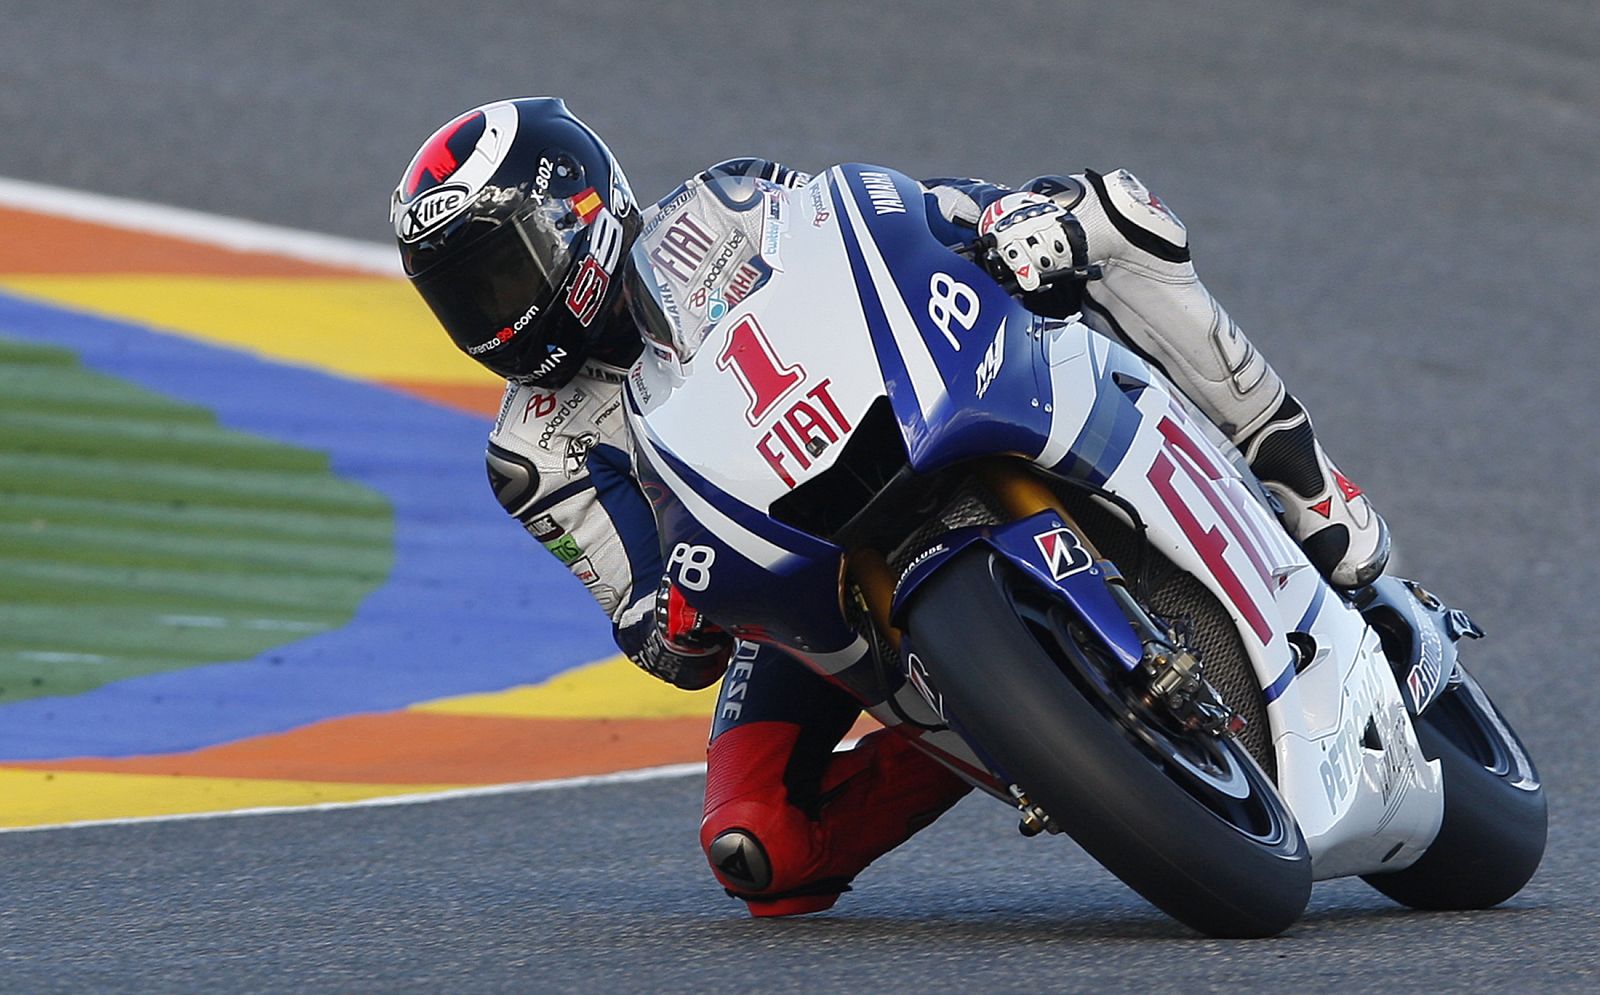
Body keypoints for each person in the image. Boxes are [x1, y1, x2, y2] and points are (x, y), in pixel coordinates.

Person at [391, 97, 1389, 917]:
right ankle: (1030, 728)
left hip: (910, 415)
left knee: (1107, 218)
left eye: (501, 272)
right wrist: (675, 618)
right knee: (756, 847)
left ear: (583, 214)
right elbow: (649, 626)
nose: (492, 315)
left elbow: (884, 228)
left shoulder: (721, 204)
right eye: (462, 299)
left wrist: (996, 221)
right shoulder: (533, 453)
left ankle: (1300, 475)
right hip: (790, 583)